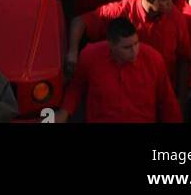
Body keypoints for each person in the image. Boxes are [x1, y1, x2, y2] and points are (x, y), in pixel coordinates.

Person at [54, 16, 182, 124]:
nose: (134, 51)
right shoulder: (90, 56)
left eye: (136, 43)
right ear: (111, 45)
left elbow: (167, 102)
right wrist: (64, 113)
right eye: (127, 47)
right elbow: (76, 88)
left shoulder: (153, 59)